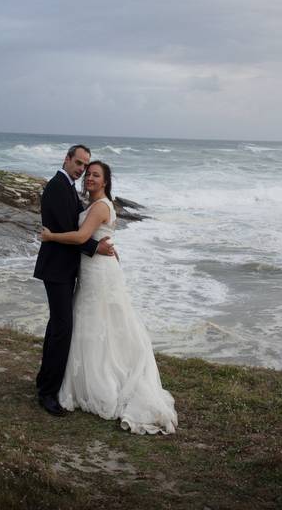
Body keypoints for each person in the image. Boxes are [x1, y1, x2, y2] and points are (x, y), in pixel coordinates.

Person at [41, 161, 177, 435]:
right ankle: (83, 380)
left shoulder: (101, 205)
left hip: (99, 272)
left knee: (99, 324)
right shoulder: (93, 203)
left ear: (105, 181)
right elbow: (94, 236)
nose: (89, 177)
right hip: (93, 269)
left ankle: (103, 382)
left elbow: (81, 236)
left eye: (95, 175)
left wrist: (50, 235)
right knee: (92, 324)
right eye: (86, 172)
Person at [33, 145, 115, 417]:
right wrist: (94, 248)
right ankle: (48, 393)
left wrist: (95, 246)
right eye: (78, 163)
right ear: (66, 159)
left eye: (85, 165)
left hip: (64, 270)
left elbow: (78, 229)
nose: (81, 170)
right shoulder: (57, 186)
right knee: (62, 329)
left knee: (58, 327)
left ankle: (45, 383)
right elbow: (69, 232)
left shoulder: (68, 187)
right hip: (56, 269)